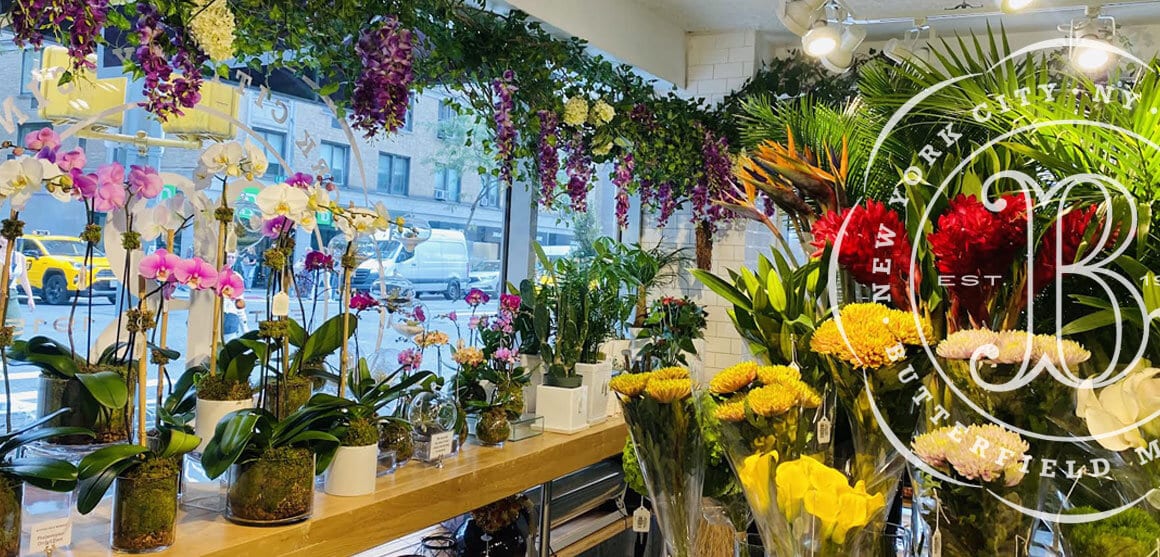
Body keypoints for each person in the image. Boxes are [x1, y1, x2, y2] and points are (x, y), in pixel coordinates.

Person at [0, 236, 35, 334]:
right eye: (1, 237)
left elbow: (24, 279)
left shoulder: (20, 257)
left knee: (16, 328)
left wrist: (30, 297)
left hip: (11, 295)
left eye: (5, 237)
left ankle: (6, 347)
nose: (2, 240)